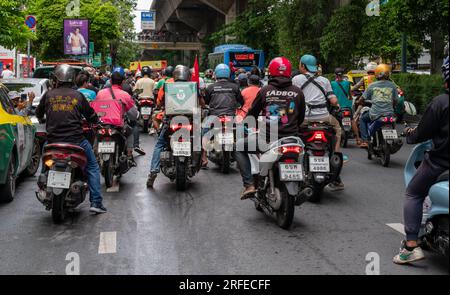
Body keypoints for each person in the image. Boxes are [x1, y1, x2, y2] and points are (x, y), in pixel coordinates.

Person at [393, 56, 449, 265]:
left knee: (414, 193)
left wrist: (411, 135)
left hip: (440, 163)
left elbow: (423, 132)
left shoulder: (441, 102)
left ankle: (410, 246)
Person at [35, 64, 106, 214]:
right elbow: (91, 115)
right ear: (72, 79)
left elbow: (39, 113)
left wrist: (42, 119)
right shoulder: (78, 96)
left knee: (44, 160)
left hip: (52, 141)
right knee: (93, 167)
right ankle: (96, 203)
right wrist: (96, 121)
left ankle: (42, 185)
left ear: (56, 79)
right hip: (76, 141)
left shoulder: (48, 95)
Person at [235, 57, 306, 198]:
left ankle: (249, 185)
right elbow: (301, 118)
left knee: (239, 147)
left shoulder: (265, 91)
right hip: (291, 138)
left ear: (271, 72)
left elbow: (252, 115)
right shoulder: (298, 92)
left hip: (268, 139)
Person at [292, 54, 345, 191]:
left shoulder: (296, 79)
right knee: (337, 129)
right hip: (324, 118)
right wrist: (337, 106)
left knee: (292, 133)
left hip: (304, 120)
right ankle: (336, 155)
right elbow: (333, 101)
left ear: (303, 66)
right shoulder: (324, 80)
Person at [146, 65, 192, 188]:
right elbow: (201, 102)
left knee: (160, 144)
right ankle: (202, 160)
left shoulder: (167, 85)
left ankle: (153, 172)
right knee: (198, 140)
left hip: (171, 121)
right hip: (189, 122)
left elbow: (159, 102)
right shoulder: (192, 86)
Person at [202, 64, 244, 167]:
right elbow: (241, 101)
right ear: (228, 74)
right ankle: (242, 158)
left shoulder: (211, 87)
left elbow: (206, 101)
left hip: (214, 116)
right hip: (231, 116)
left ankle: (203, 159)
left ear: (216, 74)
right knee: (241, 134)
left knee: (203, 134)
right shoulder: (235, 87)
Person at [93, 71, 139, 166]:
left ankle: (95, 154)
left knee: (96, 135)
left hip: (101, 124)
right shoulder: (125, 95)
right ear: (122, 82)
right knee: (130, 133)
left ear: (110, 81)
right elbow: (133, 115)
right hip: (118, 125)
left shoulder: (100, 93)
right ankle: (129, 156)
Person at [358, 64, 398, 148]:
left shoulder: (372, 85)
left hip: (375, 113)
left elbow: (362, 98)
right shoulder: (393, 85)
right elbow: (395, 101)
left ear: (377, 74)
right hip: (389, 113)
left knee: (362, 119)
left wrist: (359, 101)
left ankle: (365, 141)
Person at [331, 68, 362, 147]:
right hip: (347, 107)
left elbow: (330, 95)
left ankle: (331, 138)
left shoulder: (332, 83)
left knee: (332, 120)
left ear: (335, 75)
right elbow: (349, 95)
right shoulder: (347, 83)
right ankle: (358, 138)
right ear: (343, 75)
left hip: (337, 107)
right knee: (352, 120)